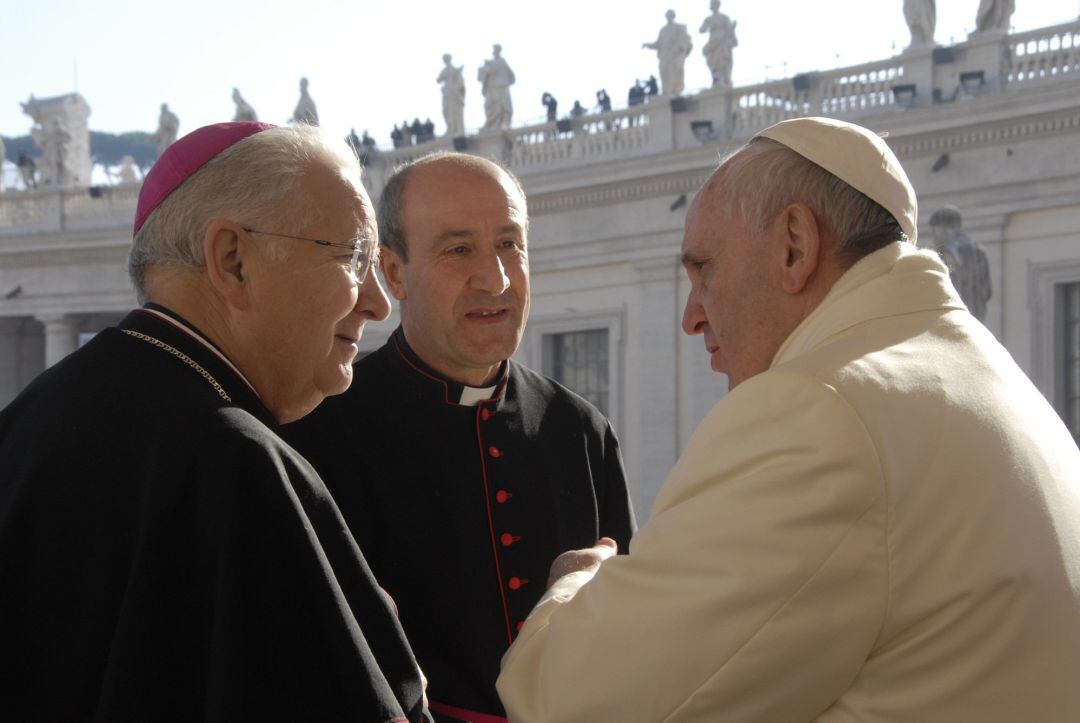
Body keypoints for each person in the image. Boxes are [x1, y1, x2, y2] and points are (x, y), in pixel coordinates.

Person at [497, 117, 1080, 721]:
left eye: (704, 271)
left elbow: (571, 703)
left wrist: (576, 586)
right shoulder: (992, 375)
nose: (691, 316)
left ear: (794, 247)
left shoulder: (816, 412)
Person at [0, 121, 432, 722]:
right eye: (353, 256)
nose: (379, 302)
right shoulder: (236, 462)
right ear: (233, 260)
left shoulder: (29, 419)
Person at [283, 152, 636, 723]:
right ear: (393, 273)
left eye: (509, 244)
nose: (494, 278)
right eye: (458, 249)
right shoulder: (319, 429)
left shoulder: (581, 430)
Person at [929, 204, 991, 321]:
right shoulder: (979, 250)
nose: (935, 237)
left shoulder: (948, 252)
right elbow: (987, 291)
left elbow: (947, 290)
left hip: (956, 319)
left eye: (935, 231)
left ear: (944, 229)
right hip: (977, 319)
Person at [642, 9, 693, 97]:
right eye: (667, 16)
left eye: (670, 15)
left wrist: (678, 48)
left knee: (676, 71)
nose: (668, 17)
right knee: (664, 71)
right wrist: (647, 45)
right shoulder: (663, 30)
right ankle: (667, 90)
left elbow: (685, 40)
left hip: (675, 54)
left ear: (673, 16)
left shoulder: (680, 27)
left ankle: (676, 91)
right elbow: (657, 44)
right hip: (665, 55)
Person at [700, 0, 738, 87]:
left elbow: (730, 30)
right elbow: (701, 30)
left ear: (717, 5)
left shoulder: (724, 17)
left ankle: (723, 80)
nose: (712, 6)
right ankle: (716, 79)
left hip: (722, 42)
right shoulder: (708, 19)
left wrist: (732, 32)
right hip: (713, 42)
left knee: (722, 61)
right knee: (713, 62)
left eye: (714, 4)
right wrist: (706, 26)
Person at [478, 44, 515, 130]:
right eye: (494, 50)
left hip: (501, 87)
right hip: (492, 87)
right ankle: (491, 123)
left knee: (502, 105)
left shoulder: (502, 62)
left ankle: (502, 123)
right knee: (490, 105)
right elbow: (481, 75)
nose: (495, 52)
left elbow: (511, 77)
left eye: (496, 50)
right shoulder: (489, 63)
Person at [438, 53, 466, 138]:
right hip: (447, 93)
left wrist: (456, 88)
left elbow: (461, 85)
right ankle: (450, 129)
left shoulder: (455, 70)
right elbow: (438, 80)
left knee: (455, 112)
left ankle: (456, 129)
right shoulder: (446, 70)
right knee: (446, 111)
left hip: (454, 94)